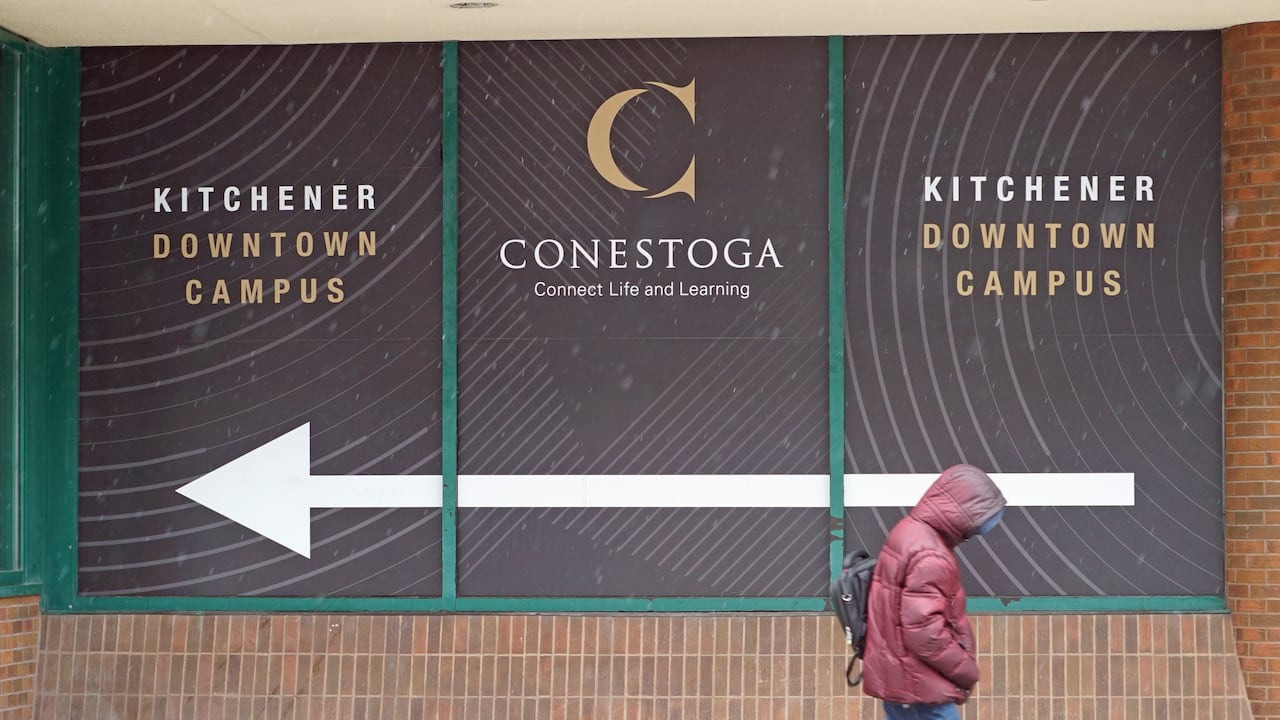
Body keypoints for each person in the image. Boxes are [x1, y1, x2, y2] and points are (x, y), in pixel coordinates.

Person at [861, 464, 1007, 720]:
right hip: (920, 686)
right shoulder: (931, 554)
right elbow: (925, 632)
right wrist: (965, 669)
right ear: (964, 512)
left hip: (903, 679)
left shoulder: (909, 531)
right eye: (983, 516)